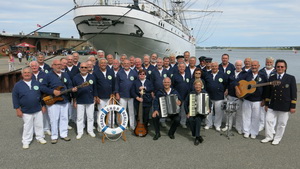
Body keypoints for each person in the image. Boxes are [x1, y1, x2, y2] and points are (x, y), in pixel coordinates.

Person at [40, 59, 77, 144]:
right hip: (53, 101)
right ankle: (54, 136)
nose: (58, 66)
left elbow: (70, 85)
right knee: (54, 119)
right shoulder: (48, 75)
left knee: (64, 118)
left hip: (64, 100)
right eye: (56, 65)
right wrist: (52, 92)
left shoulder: (65, 74)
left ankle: (64, 134)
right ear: (52, 66)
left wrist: (72, 89)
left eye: (60, 64)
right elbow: (42, 87)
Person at [261, 59, 297, 145]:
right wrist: (266, 104)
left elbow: (294, 92)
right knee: (268, 120)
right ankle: (269, 137)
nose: (280, 68)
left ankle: (277, 138)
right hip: (273, 104)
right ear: (275, 67)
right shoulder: (272, 77)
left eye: (282, 67)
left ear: (285, 68)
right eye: (278, 66)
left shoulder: (290, 78)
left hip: (285, 104)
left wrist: (293, 106)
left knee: (282, 123)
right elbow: (268, 92)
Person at [12, 67, 47, 149]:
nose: (27, 74)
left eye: (29, 72)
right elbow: (15, 98)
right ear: (22, 74)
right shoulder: (18, 85)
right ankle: (26, 141)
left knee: (39, 124)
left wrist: (43, 106)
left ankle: (40, 137)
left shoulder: (37, 83)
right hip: (26, 110)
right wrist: (17, 109)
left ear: (31, 74)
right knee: (28, 126)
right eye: (25, 73)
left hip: (38, 109)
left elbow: (42, 96)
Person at [237, 60, 267, 139]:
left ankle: (254, 132)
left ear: (259, 66)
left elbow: (266, 89)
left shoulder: (263, 76)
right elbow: (238, 82)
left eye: (255, 65)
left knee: (256, 117)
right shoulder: (246, 75)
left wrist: (264, 100)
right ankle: (246, 131)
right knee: (246, 116)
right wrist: (238, 90)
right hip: (247, 99)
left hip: (258, 100)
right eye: (252, 65)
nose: (254, 67)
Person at [73, 62, 97, 139]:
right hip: (80, 100)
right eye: (82, 67)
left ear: (88, 68)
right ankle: (80, 132)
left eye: (85, 67)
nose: (83, 69)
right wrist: (74, 100)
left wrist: (95, 97)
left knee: (90, 116)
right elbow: (74, 91)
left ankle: (90, 130)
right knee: (80, 117)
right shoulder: (76, 77)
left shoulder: (92, 77)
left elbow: (95, 88)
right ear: (80, 68)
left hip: (90, 99)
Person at [223, 60, 247, 134]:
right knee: (229, 111)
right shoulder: (231, 73)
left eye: (240, 65)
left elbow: (245, 85)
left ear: (242, 66)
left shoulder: (245, 74)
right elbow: (228, 82)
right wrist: (226, 89)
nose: (238, 67)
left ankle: (238, 127)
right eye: (237, 65)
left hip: (239, 97)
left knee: (239, 113)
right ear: (235, 65)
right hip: (230, 95)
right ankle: (228, 126)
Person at [204, 62, 228, 131]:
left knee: (219, 112)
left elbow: (225, 84)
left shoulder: (223, 75)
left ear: (218, 67)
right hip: (209, 96)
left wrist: (225, 90)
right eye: (213, 66)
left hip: (219, 96)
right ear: (211, 67)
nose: (214, 67)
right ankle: (209, 124)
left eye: (215, 66)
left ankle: (217, 125)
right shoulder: (207, 74)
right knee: (208, 111)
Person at [115, 59, 138, 130]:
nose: (126, 65)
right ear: (122, 64)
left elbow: (137, 83)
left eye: (128, 63)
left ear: (130, 64)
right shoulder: (119, 73)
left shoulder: (134, 72)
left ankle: (132, 125)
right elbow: (117, 84)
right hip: (122, 95)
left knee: (131, 111)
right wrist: (117, 93)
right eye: (125, 63)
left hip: (131, 95)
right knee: (122, 111)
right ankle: (123, 124)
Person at [29, 61, 51, 136]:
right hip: (33, 97)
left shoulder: (44, 74)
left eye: (35, 66)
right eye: (32, 66)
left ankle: (46, 128)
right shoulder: (29, 75)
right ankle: (35, 130)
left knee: (45, 113)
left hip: (44, 96)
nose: (34, 67)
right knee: (34, 114)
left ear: (38, 66)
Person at [184, 80, 208, 145]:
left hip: (201, 113)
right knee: (190, 119)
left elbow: (209, 103)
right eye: (196, 85)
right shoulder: (191, 93)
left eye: (199, 85)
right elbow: (185, 103)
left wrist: (208, 109)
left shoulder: (205, 93)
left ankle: (197, 137)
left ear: (201, 86)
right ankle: (198, 135)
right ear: (194, 86)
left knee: (197, 119)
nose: (197, 86)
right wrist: (187, 112)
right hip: (192, 111)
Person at [93, 58, 115, 127]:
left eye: (104, 63)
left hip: (110, 96)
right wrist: (96, 96)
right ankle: (101, 126)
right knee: (101, 112)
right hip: (100, 97)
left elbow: (114, 83)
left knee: (111, 112)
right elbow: (95, 85)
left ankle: (111, 125)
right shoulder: (95, 73)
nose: (103, 64)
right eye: (101, 63)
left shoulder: (111, 72)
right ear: (99, 64)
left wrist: (113, 93)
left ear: (106, 64)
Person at [258, 56, 277, 132]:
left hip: (273, 93)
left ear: (273, 63)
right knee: (262, 111)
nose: (268, 64)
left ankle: (272, 127)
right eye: (267, 62)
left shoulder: (276, 71)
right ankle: (262, 124)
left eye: (270, 62)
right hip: (263, 93)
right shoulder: (261, 71)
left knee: (272, 111)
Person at [171, 62, 191, 128]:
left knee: (184, 110)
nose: (181, 68)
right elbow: (172, 86)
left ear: (185, 68)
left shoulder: (188, 75)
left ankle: (183, 122)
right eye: (180, 67)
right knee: (176, 110)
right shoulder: (174, 76)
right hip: (177, 95)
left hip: (186, 95)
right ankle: (175, 122)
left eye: (183, 67)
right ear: (178, 68)